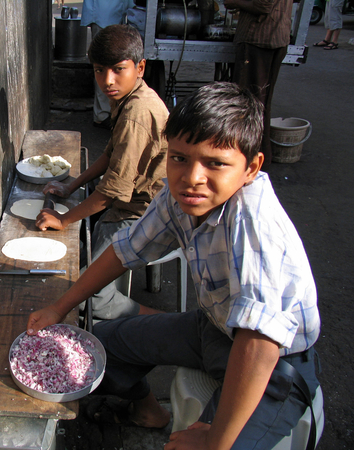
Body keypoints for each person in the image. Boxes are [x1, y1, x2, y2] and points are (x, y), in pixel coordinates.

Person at [28, 82, 321, 449]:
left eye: (215, 163)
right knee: (102, 346)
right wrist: (59, 307)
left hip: (275, 365)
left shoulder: (254, 224)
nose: (192, 177)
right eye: (179, 158)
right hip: (214, 329)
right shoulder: (177, 196)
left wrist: (215, 440)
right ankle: (149, 411)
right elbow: (124, 251)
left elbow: (259, 346)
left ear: (251, 167)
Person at [36, 24, 168, 320]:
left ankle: (161, 322)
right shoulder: (128, 97)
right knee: (80, 229)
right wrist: (71, 186)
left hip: (140, 211)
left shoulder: (137, 114)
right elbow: (109, 155)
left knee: (86, 295)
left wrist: (63, 219)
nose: (107, 80)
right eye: (99, 70)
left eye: (118, 70)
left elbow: (112, 192)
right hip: (128, 196)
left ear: (140, 67)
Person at [225, 0, 293, 169]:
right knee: (260, 101)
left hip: (260, 38)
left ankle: (247, 157)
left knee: (247, 102)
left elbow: (264, 5)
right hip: (273, 35)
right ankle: (258, 155)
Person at [81, 0, 136, 128]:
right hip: (105, 14)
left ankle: (108, 112)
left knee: (111, 65)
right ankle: (102, 114)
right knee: (105, 65)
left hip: (114, 12)